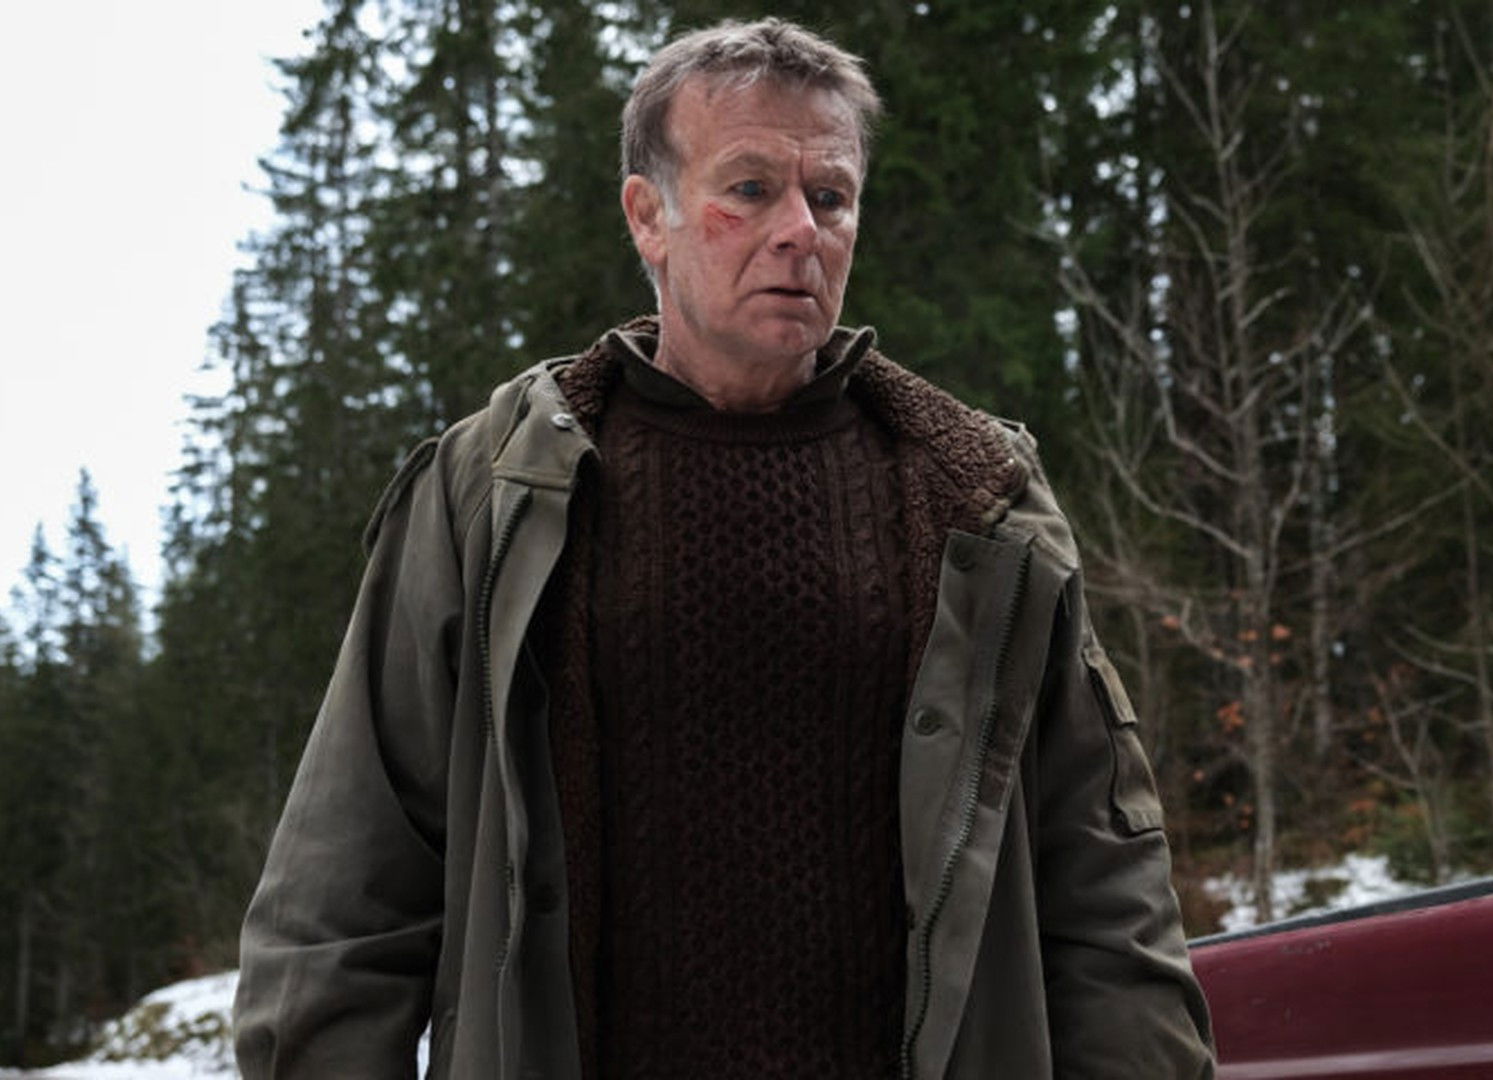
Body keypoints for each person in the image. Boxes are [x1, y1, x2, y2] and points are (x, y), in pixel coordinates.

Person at [233, 16, 1213, 1079]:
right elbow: (341, 905)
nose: (799, 230)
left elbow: (1107, 899)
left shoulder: (978, 502)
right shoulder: (494, 491)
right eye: (749, 189)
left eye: (830, 197)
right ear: (646, 216)